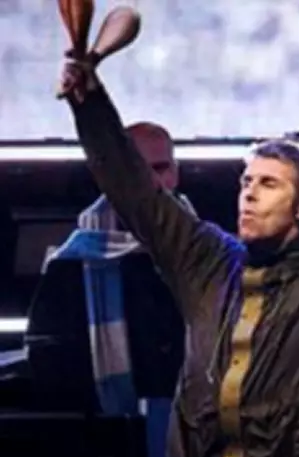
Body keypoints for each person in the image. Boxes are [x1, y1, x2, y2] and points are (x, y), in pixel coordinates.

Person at [58, 63, 299, 457]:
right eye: (246, 182)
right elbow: (137, 193)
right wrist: (90, 105)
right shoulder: (208, 263)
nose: (249, 193)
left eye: (269, 184)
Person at [42, 121, 195, 416]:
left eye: (160, 168)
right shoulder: (70, 266)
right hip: (106, 429)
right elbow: (53, 368)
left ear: (175, 173)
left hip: (199, 427)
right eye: (135, 170)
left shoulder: (212, 253)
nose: (150, 182)